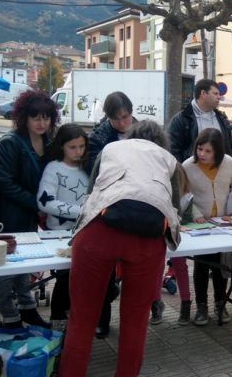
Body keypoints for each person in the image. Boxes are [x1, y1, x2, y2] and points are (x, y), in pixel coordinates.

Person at [59, 121, 187, 377]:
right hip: (147, 240)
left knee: (82, 318)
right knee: (135, 321)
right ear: (162, 143)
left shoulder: (111, 149)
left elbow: (92, 192)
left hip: (98, 232)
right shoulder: (169, 161)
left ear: (131, 137)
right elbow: (175, 208)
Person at [0, 89, 55, 329]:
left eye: (46, 117)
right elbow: (5, 183)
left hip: (30, 212)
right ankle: (9, 316)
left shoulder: (48, 142)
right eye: (36, 117)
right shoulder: (10, 143)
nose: (42, 123)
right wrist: (37, 203)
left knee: (24, 262)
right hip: (8, 213)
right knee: (6, 266)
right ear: (24, 117)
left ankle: (27, 308)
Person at [182, 128, 232, 326]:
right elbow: (182, 194)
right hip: (199, 225)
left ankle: (221, 302)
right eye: (200, 149)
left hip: (223, 224)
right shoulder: (188, 166)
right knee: (202, 264)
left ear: (218, 151)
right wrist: (196, 214)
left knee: (222, 266)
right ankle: (202, 306)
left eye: (208, 151)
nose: (202, 154)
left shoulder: (229, 163)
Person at [86, 91, 135, 338]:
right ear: (109, 118)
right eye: (118, 119)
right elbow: (95, 170)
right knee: (104, 267)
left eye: (126, 117)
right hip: (110, 205)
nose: (124, 123)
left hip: (137, 205)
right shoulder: (99, 137)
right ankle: (102, 319)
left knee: (135, 264)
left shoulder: (142, 130)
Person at [37, 124, 90, 332]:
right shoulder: (53, 168)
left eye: (82, 146)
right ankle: (58, 318)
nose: (78, 152)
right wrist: (78, 211)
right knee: (64, 277)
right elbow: (44, 201)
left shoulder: (88, 167)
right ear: (62, 146)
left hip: (84, 231)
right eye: (72, 147)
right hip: (58, 234)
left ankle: (77, 318)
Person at [167, 78, 232, 162]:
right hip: (191, 172)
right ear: (203, 94)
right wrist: (182, 171)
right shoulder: (182, 119)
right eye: (215, 94)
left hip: (219, 171)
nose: (219, 97)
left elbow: (229, 147)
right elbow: (173, 150)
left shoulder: (221, 118)